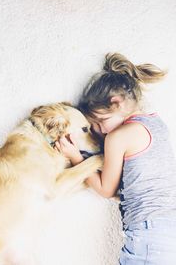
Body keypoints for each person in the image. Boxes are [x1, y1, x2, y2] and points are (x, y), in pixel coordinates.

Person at [55, 53, 176, 264]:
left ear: (116, 102)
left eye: (101, 122)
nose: (100, 132)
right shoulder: (157, 124)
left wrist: (75, 157)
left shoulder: (118, 137)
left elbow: (105, 189)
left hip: (149, 236)